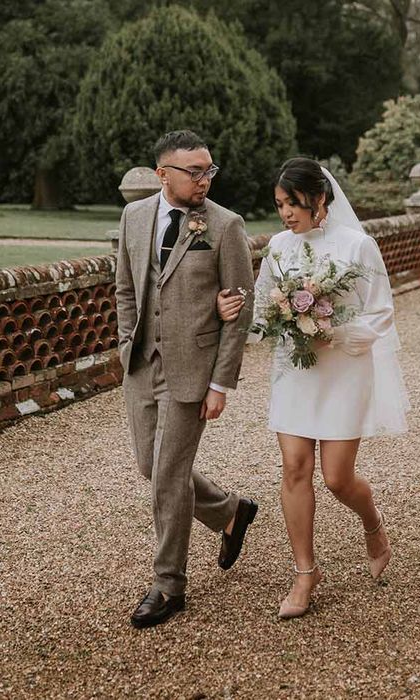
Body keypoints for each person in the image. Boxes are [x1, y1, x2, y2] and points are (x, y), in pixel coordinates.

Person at [217, 157, 409, 619]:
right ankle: (305, 573)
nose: (286, 213)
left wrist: (333, 330)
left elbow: (381, 311)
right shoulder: (280, 247)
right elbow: (262, 306)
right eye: (280, 204)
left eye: (294, 203)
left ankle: (373, 525)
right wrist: (247, 310)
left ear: (320, 198)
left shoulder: (358, 246)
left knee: (337, 478)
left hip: (344, 366)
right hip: (295, 370)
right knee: (294, 468)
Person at [115, 130, 258, 629]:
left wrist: (221, 383)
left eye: (209, 170)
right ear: (162, 174)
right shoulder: (134, 217)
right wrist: (124, 344)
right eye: (194, 171)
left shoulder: (225, 225)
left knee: (169, 477)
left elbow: (240, 309)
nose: (205, 179)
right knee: (149, 468)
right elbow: (125, 290)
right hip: (140, 367)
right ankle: (230, 512)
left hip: (192, 370)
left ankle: (168, 584)